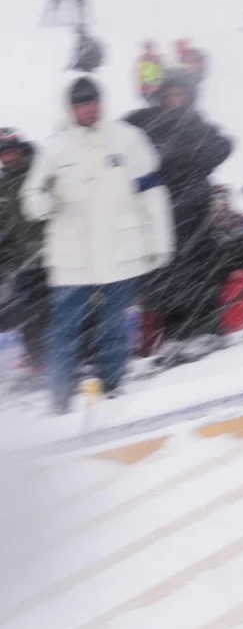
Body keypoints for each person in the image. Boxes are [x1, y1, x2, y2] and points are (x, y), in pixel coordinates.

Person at [22, 78, 174, 412]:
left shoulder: (127, 139)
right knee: (65, 329)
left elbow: (151, 191)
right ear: (71, 108)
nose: (90, 109)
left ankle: (113, 390)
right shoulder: (55, 147)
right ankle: (59, 400)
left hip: (120, 250)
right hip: (72, 255)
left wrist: (159, 240)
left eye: (94, 101)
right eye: (82, 103)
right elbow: (31, 197)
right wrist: (46, 203)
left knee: (115, 324)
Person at [125, 66, 234, 359]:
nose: (176, 99)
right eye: (171, 94)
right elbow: (124, 144)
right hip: (162, 214)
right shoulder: (145, 122)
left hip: (195, 213)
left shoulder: (196, 123)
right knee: (166, 278)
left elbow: (222, 147)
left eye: (180, 94)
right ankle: (174, 334)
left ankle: (208, 329)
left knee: (200, 271)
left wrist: (191, 155)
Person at [0, 128, 48, 378]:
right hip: (21, 263)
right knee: (27, 312)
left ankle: (78, 352)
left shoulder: (37, 174)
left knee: (58, 307)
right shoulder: (2, 187)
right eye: (3, 153)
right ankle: (38, 359)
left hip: (52, 254)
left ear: (19, 149)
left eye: (11, 150)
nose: (8, 156)